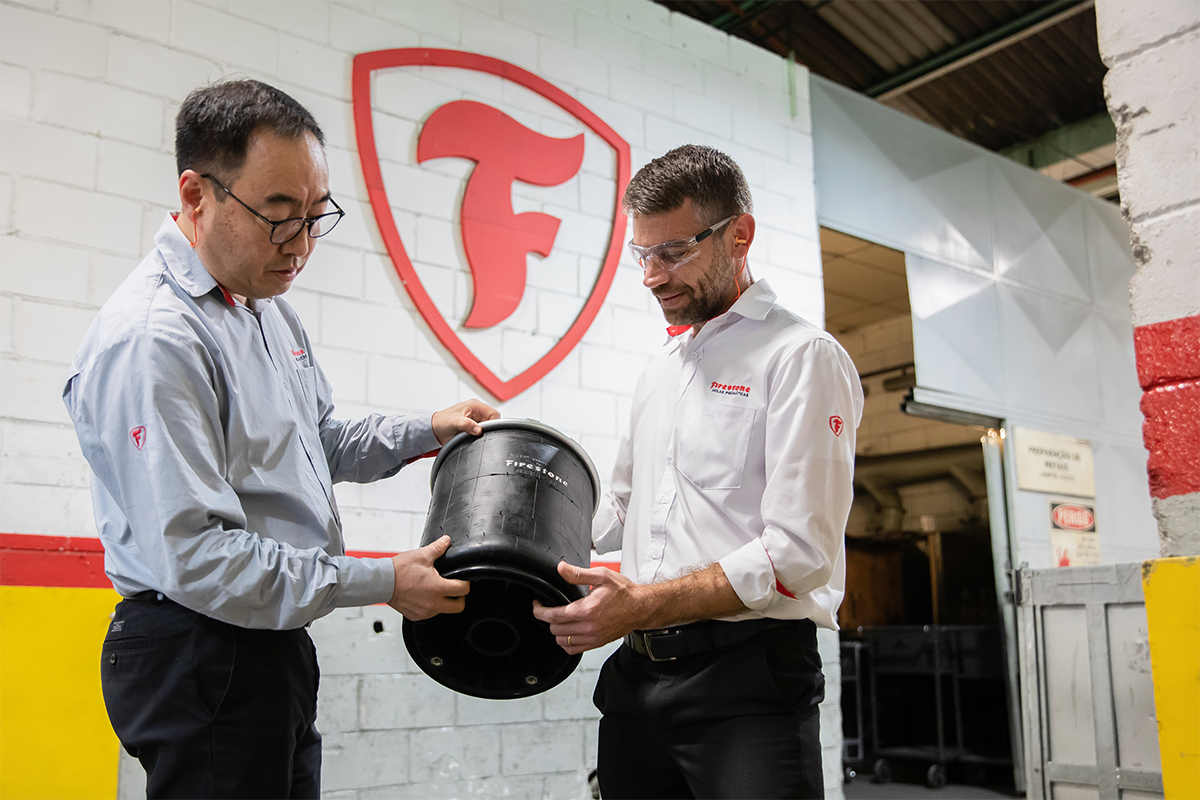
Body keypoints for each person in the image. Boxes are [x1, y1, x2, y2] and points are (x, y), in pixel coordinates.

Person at [62, 79, 498, 800]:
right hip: (198, 647)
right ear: (197, 196)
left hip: (264, 642)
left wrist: (427, 430)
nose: (299, 244)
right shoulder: (156, 341)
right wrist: (386, 580)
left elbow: (316, 441)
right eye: (277, 215)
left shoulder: (261, 307)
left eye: (315, 215)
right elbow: (201, 559)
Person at [533, 144, 863, 799]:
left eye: (675, 251)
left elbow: (799, 554)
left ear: (739, 234)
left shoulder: (802, 358)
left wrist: (641, 605)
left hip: (748, 686)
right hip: (637, 682)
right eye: (643, 255)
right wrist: (523, 541)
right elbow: (621, 506)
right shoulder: (663, 368)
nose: (653, 276)